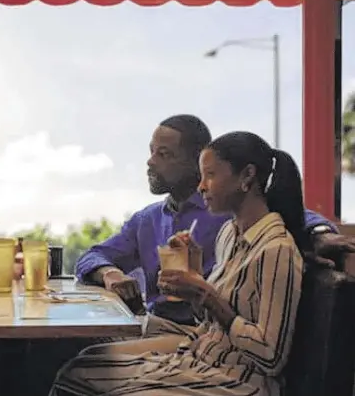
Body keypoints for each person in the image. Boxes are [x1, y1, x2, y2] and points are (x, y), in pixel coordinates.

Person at [49, 131, 307, 396]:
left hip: (239, 380)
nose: (201, 186)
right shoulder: (230, 233)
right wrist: (194, 283)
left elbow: (271, 358)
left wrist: (207, 295)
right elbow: (210, 323)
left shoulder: (276, 249)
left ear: (247, 176)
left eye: (211, 175)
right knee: (77, 373)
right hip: (200, 356)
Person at [76, 114, 352, 330]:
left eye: (164, 154)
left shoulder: (228, 212)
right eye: (151, 152)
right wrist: (110, 274)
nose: (150, 162)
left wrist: (319, 233)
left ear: (197, 161)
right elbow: (92, 257)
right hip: (160, 323)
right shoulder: (146, 220)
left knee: (84, 363)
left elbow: (294, 215)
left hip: (205, 332)